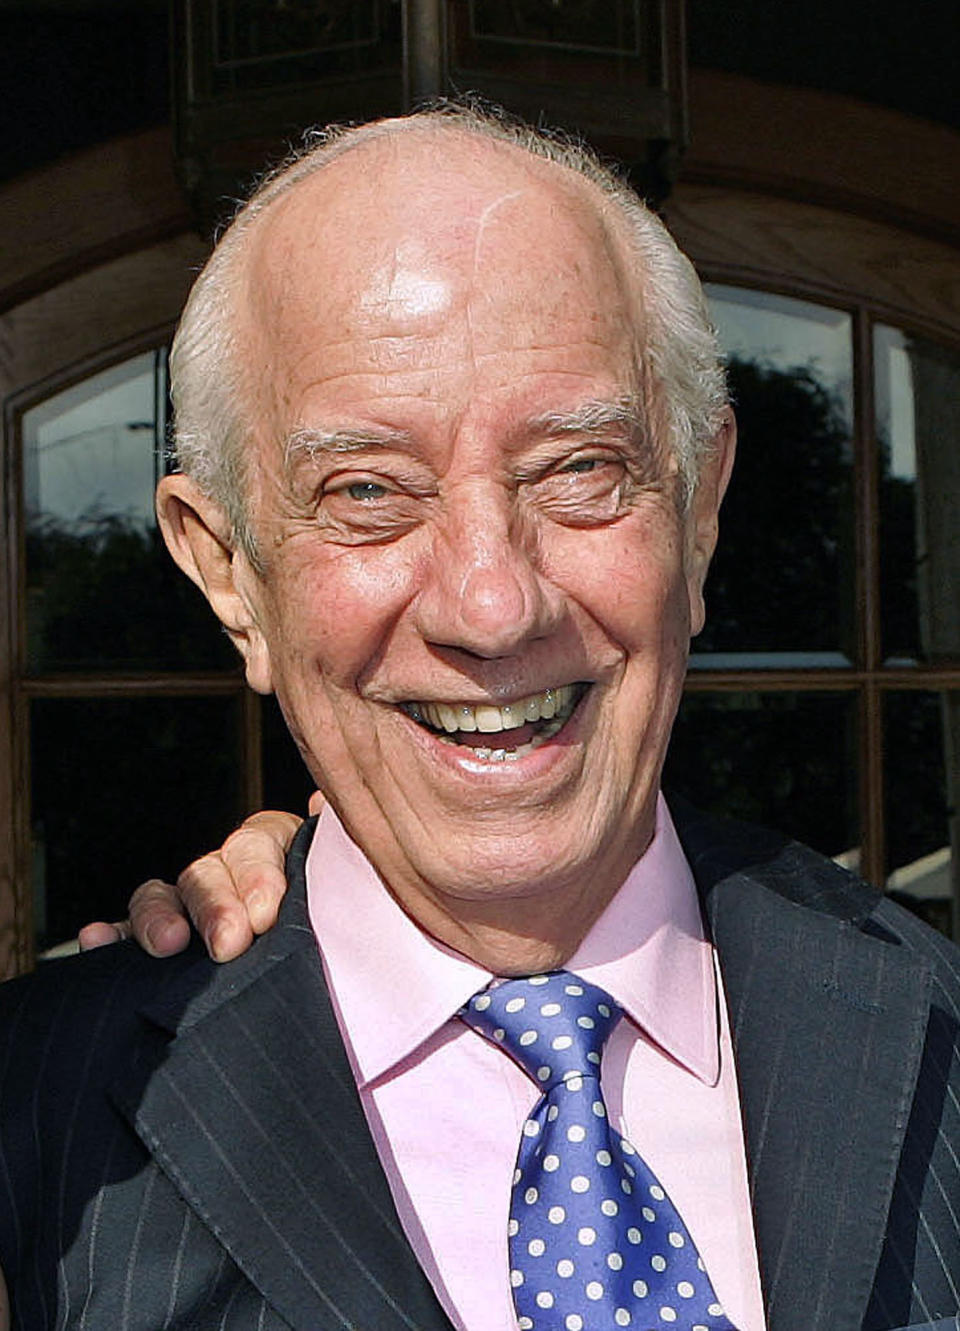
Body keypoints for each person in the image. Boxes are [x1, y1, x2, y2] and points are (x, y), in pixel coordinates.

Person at [3, 104, 959, 1331]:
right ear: (229, 571)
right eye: (366, 493)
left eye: (578, 469)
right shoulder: (43, 1131)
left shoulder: (934, 1023)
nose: (493, 604)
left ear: (702, 508)